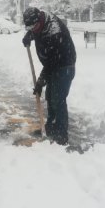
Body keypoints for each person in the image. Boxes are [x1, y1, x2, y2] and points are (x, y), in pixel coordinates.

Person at [22, 7, 76, 145]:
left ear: (38, 21)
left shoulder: (54, 33)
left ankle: (61, 135)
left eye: (33, 27)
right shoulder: (40, 21)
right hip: (53, 63)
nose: (32, 29)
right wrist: (30, 35)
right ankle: (51, 128)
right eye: (29, 27)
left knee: (58, 98)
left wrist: (41, 81)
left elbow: (51, 64)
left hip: (64, 65)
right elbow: (36, 30)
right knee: (50, 96)